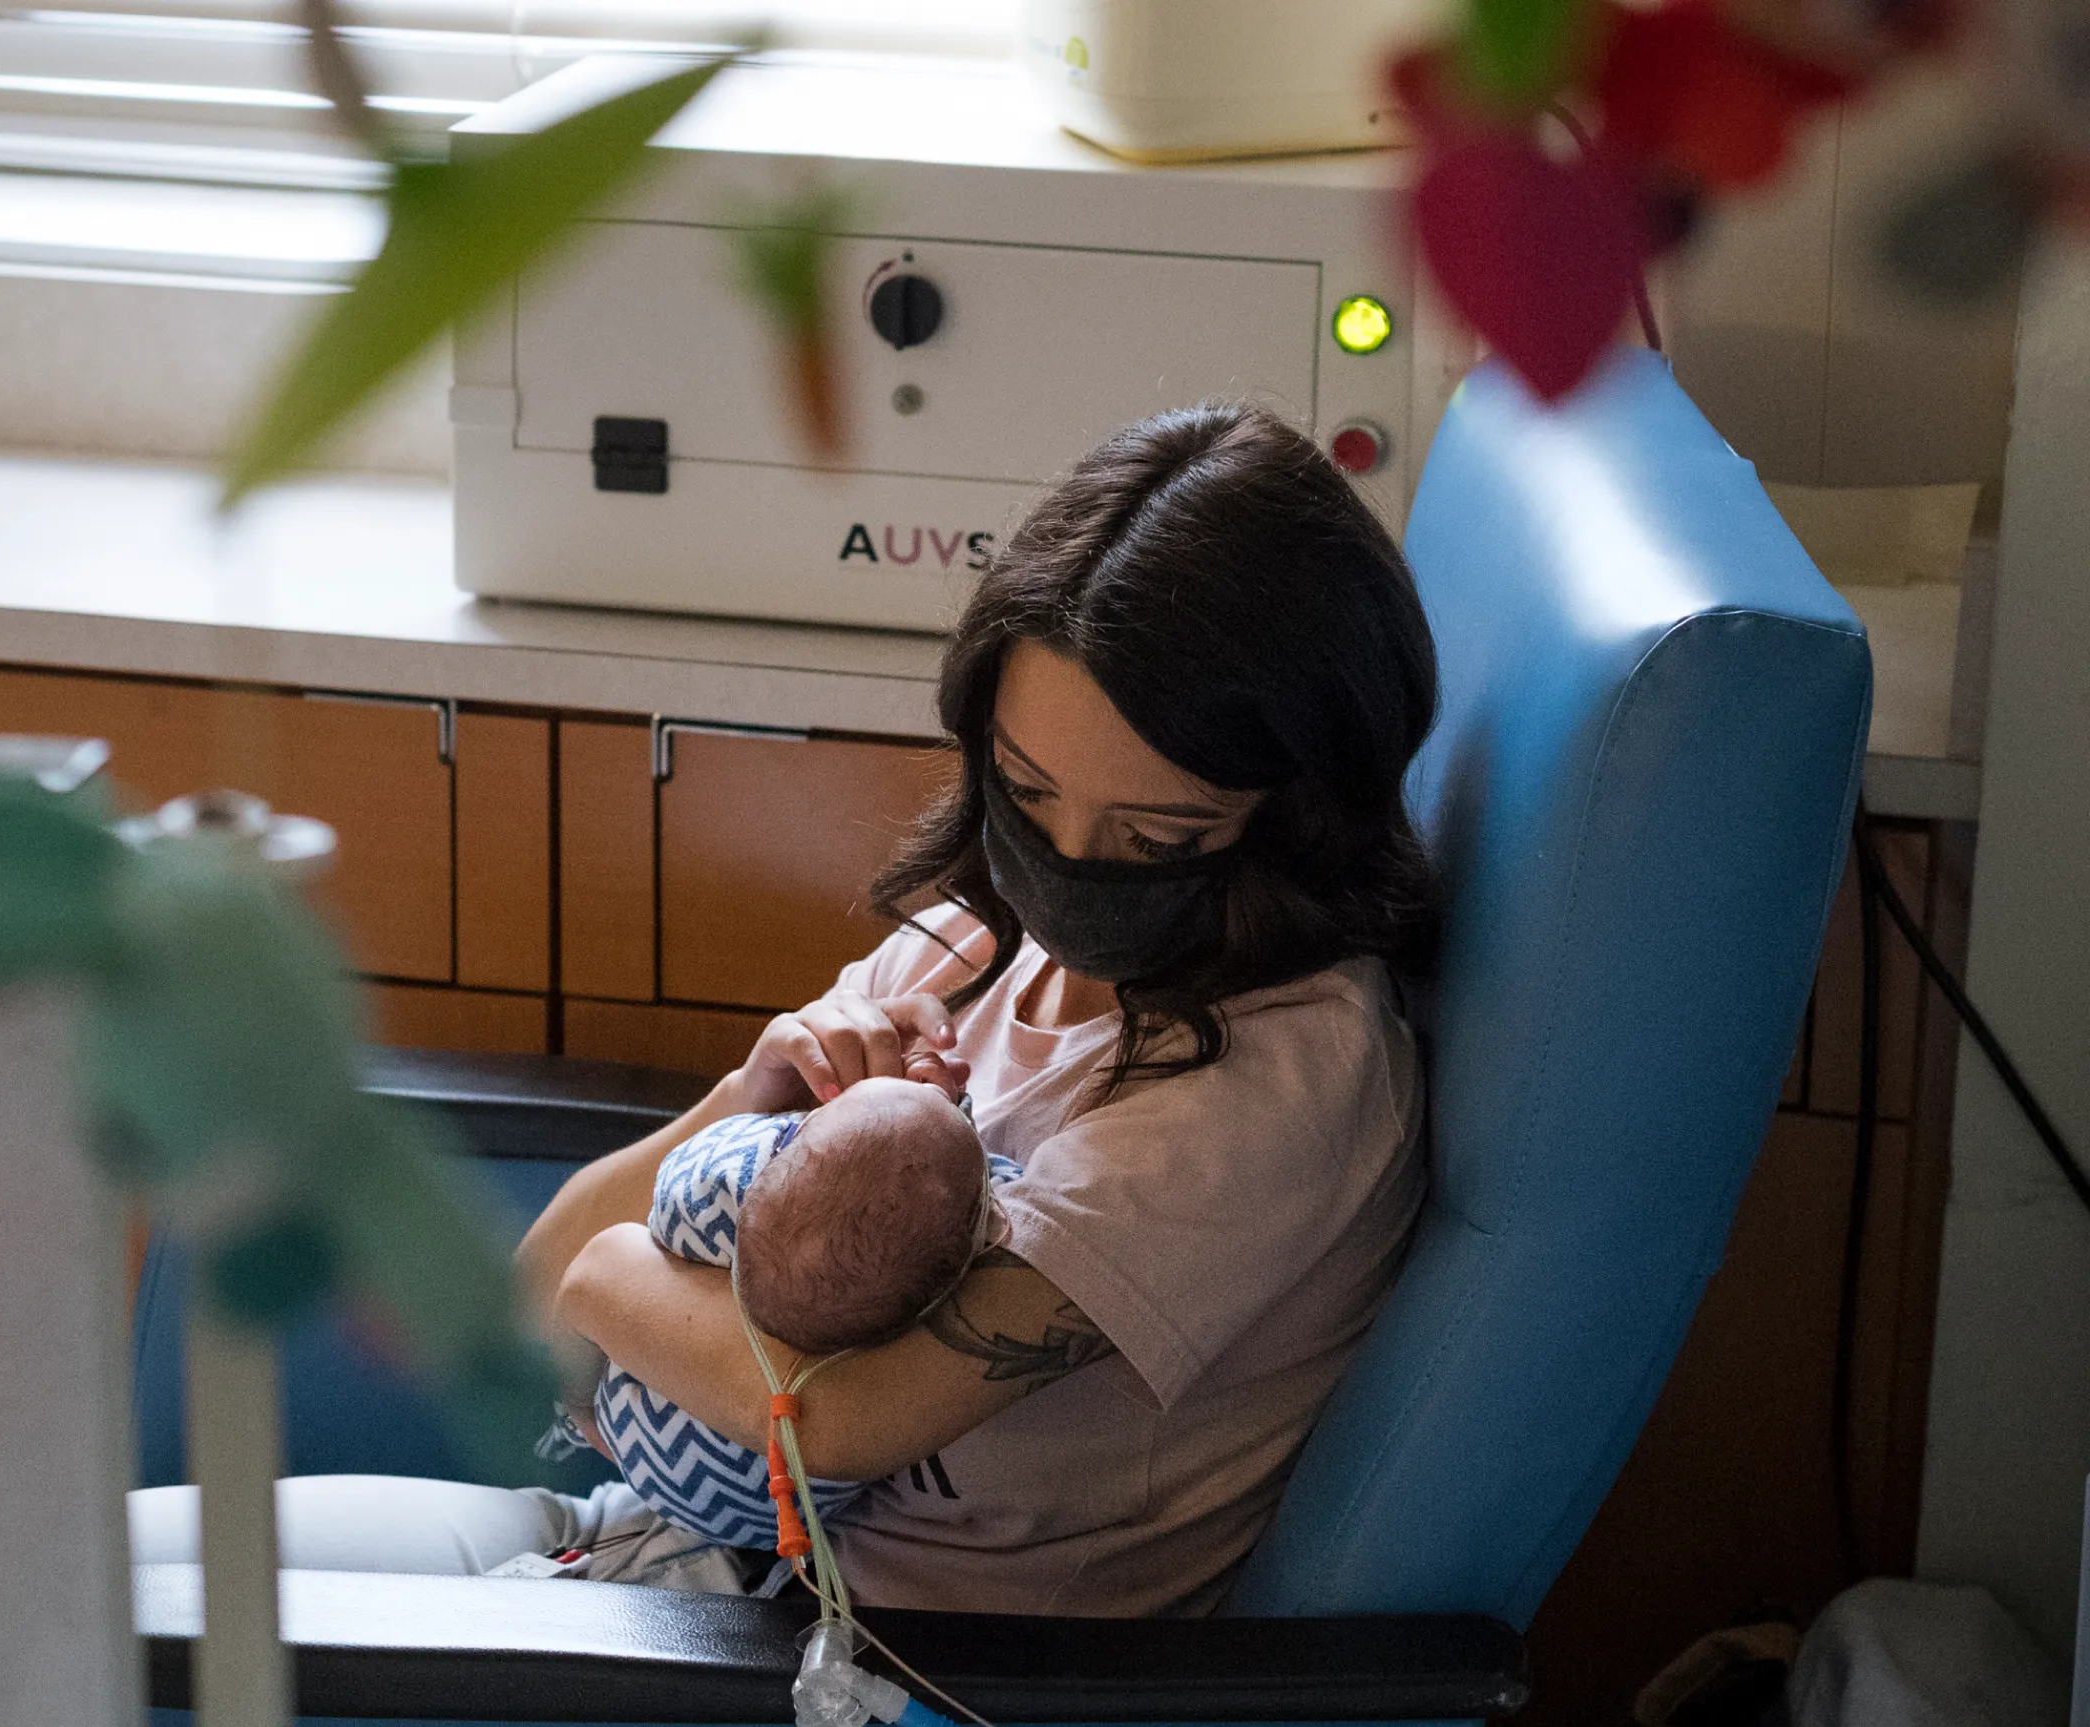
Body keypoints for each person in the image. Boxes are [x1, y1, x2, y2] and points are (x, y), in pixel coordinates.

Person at [275, 403, 1438, 1615]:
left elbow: (817, 1424)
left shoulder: (1268, 1091)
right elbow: (527, 1293)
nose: (1070, 869)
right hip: (665, 1547)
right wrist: (752, 1093)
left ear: (1300, 812)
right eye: (1026, 793)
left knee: (130, 1675)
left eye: (1158, 835)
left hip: (866, 1681)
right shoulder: (978, 944)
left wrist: (611, 1278)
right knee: (74, 1574)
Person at [569, 1074, 1022, 1555]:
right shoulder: (941, 1291)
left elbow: (668, 1196)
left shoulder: (722, 1189)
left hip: (639, 1447)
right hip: (782, 1517)